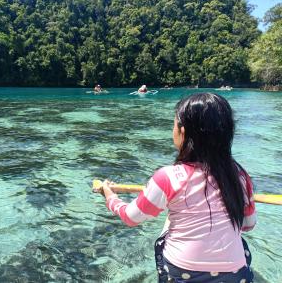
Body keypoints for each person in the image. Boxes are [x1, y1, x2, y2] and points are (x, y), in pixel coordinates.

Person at [97, 93, 256, 283]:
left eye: (174, 125)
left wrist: (109, 195)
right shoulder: (239, 176)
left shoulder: (168, 177)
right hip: (235, 274)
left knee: (168, 224)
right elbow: (248, 225)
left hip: (182, 272)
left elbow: (131, 217)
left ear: (183, 131)